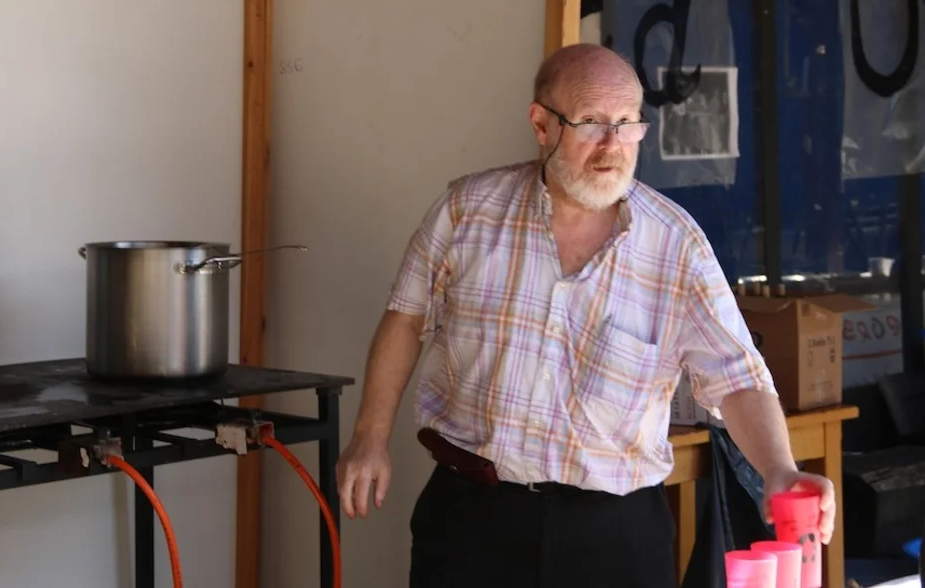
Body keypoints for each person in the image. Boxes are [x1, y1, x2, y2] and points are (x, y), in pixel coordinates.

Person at [334, 43, 837, 587]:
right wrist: (369, 436)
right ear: (542, 124)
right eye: (592, 122)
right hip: (472, 519)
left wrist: (779, 469)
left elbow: (737, 378)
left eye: (627, 123)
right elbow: (407, 317)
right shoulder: (468, 211)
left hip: (614, 537)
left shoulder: (675, 244)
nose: (612, 145)